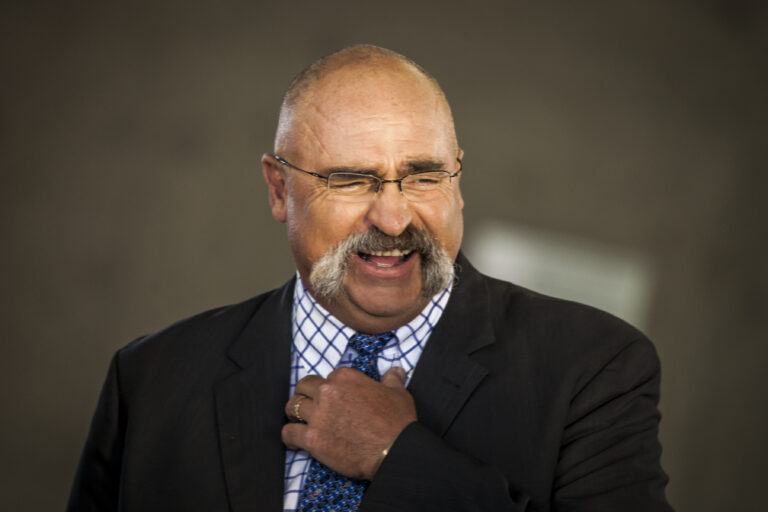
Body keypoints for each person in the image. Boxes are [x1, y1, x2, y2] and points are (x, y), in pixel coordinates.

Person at [67, 44, 672, 511]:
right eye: (352, 180)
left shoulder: (593, 369)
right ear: (278, 189)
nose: (393, 217)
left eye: (424, 176)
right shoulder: (151, 380)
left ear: (458, 181)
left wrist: (398, 457)